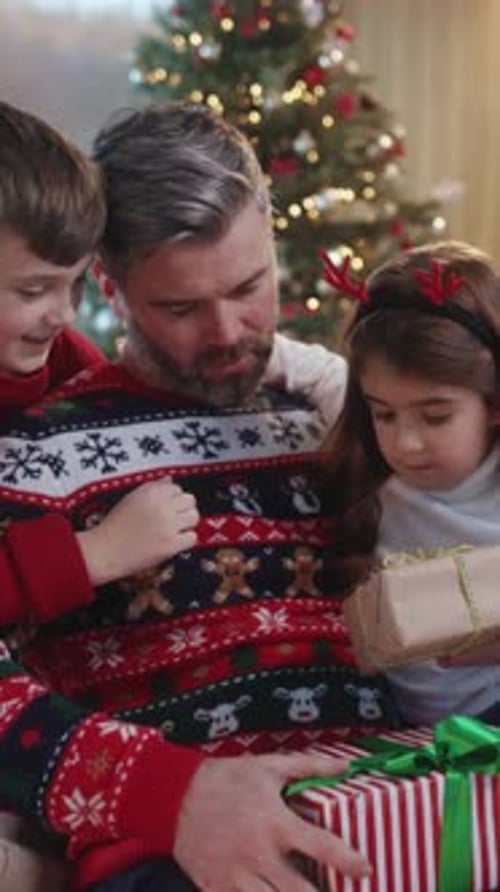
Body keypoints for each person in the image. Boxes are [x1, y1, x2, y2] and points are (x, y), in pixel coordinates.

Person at [0, 102, 398, 892]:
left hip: (395, 807)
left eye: (250, 286)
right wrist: (159, 793)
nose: (225, 333)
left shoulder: (341, 417)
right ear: (107, 287)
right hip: (171, 857)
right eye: (180, 308)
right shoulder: (34, 447)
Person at [0, 99, 204, 627]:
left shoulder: (67, 358)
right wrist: (94, 554)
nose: (63, 313)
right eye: (34, 289)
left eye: (75, 283)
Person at [324, 239, 500, 729]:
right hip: (393, 728)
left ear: (494, 404)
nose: (406, 444)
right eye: (384, 413)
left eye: (436, 417)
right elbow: (304, 368)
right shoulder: (372, 484)